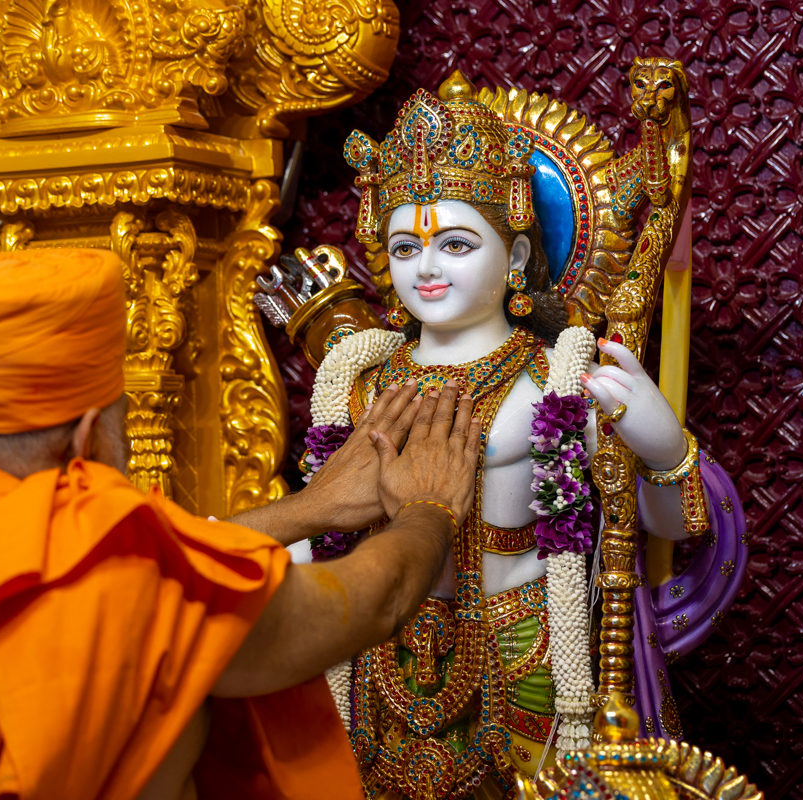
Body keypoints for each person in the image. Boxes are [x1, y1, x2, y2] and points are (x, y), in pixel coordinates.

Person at [0, 248, 482, 800]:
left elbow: (157, 577)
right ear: (88, 438)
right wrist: (430, 508)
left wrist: (310, 510)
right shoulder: (109, 561)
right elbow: (373, 601)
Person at [286, 71, 748, 796]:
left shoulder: (558, 378)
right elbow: (319, 533)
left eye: (457, 245)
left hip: (529, 656)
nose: (427, 268)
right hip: (372, 662)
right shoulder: (358, 381)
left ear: (521, 257)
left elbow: (650, 530)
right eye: (404, 248)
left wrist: (662, 449)